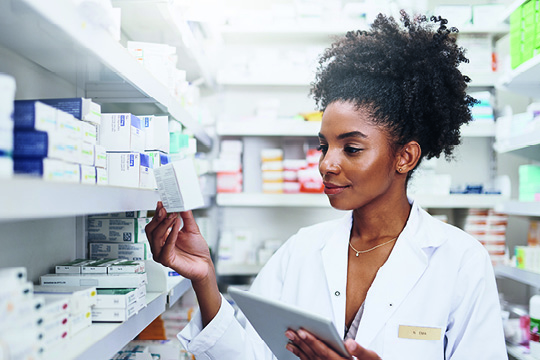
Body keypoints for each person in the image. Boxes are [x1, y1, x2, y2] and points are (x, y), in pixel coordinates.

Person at [146, 11, 506, 360]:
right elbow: (252, 354)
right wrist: (205, 277)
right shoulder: (302, 250)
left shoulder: (460, 261)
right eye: (324, 146)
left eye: (351, 148)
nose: (326, 163)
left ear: (405, 157)